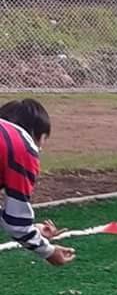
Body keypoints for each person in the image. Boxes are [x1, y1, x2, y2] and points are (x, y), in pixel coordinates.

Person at [0, 99, 75, 265]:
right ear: (38, 135)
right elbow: (16, 223)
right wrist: (48, 251)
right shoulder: (22, 147)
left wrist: (32, 230)